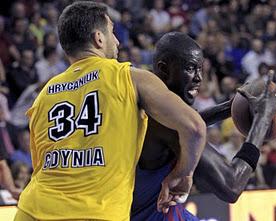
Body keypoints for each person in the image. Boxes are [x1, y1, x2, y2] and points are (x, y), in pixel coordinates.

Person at [15, 2, 207, 221]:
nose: (116, 41)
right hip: (95, 213)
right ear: (99, 38)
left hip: (31, 211)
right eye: (112, 32)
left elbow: (41, 164)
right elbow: (195, 128)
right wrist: (183, 174)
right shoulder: (130, 77)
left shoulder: (44, 94)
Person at [131, 32, 276, 220]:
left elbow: (188, 121)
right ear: (163, 69)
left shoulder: (147, 105)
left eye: (201, 70)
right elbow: (232, 185)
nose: (199, 78)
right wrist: (262, 122)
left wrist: (231, 107)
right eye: (190, 68)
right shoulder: (170, 127)